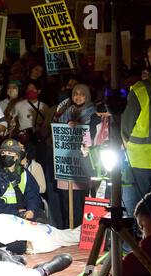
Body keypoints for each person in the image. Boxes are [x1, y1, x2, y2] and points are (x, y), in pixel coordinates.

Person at [121, 41, 151, 219]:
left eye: (148, 57)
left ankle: (129, 245)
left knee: (133, 208)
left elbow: (126, 128)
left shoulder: (142, 89)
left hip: (139, 160)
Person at [55, 83, 96, 228]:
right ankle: (69, 230)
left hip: (83, 162)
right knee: (67, 202)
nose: (78, 97)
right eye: (75, 94)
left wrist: (78, 125)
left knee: (82, 200)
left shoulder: (93, 112)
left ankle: (81, 231)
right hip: (67, 162)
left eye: (82, 94)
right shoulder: (67, 111)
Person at [0, 138, 44, 221]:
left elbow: (33, 194)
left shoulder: (24, 173)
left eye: (9, 153)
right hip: (4, 215)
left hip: (25, 213)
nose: (6, 155)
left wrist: (31, 210)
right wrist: (17, 212)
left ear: (17, 156)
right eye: (3, 153)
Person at [9, 81, 50, 145]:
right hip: (22, 138)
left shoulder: (44, 107)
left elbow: (47, 124)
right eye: (28, 89)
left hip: (38, 139)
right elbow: (11, 118)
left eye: (33, 88)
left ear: (39, 91)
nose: (30, 90)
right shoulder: (19, 105)